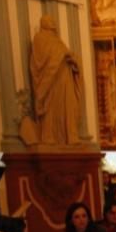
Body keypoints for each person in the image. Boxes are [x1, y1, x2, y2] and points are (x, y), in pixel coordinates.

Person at [29, 15, 82, 145]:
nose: (53, 22)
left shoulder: (58, 40)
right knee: (50, 109)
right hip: (50, 81)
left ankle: (70, 136)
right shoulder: (39, 38)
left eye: (53, 20)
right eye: (49, 20)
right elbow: (39, 61)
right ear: (44, 23)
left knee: (67, 108)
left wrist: (73, 60)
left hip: (65, 78)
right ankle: (49, 137)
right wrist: (60, 55)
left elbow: (66, 54)